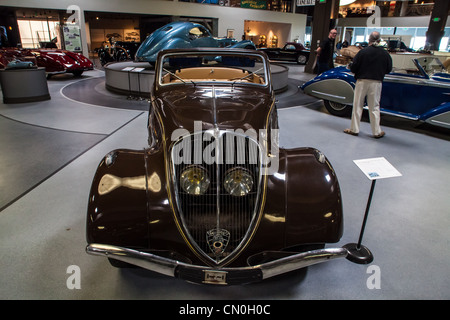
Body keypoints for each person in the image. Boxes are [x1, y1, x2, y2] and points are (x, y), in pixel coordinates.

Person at [344, 31, 392, 139]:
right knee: (374, 106)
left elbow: (354, 67)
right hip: (376, 82)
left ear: (369, 40)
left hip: (362, 81)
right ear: (379, 41)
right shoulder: (385, 54)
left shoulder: (362, 52)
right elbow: (388, 69)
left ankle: (354, 129)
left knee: (357, 105)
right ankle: (376, 131)